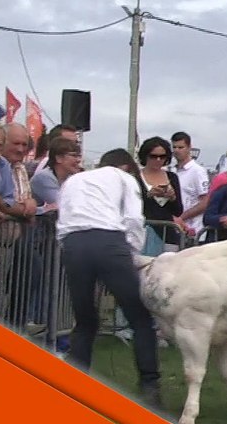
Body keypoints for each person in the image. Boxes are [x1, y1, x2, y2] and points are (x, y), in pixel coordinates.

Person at [55, 149, 162, 409]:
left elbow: (63, 217)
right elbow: (134, 219)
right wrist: (132, 256)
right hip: (109, 242)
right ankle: (150, 388)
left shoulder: (73, 180)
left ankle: (73, 388)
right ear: (126, 167)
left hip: (73, 244)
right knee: (140, 319)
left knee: (85, 320)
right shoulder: (123, 178)